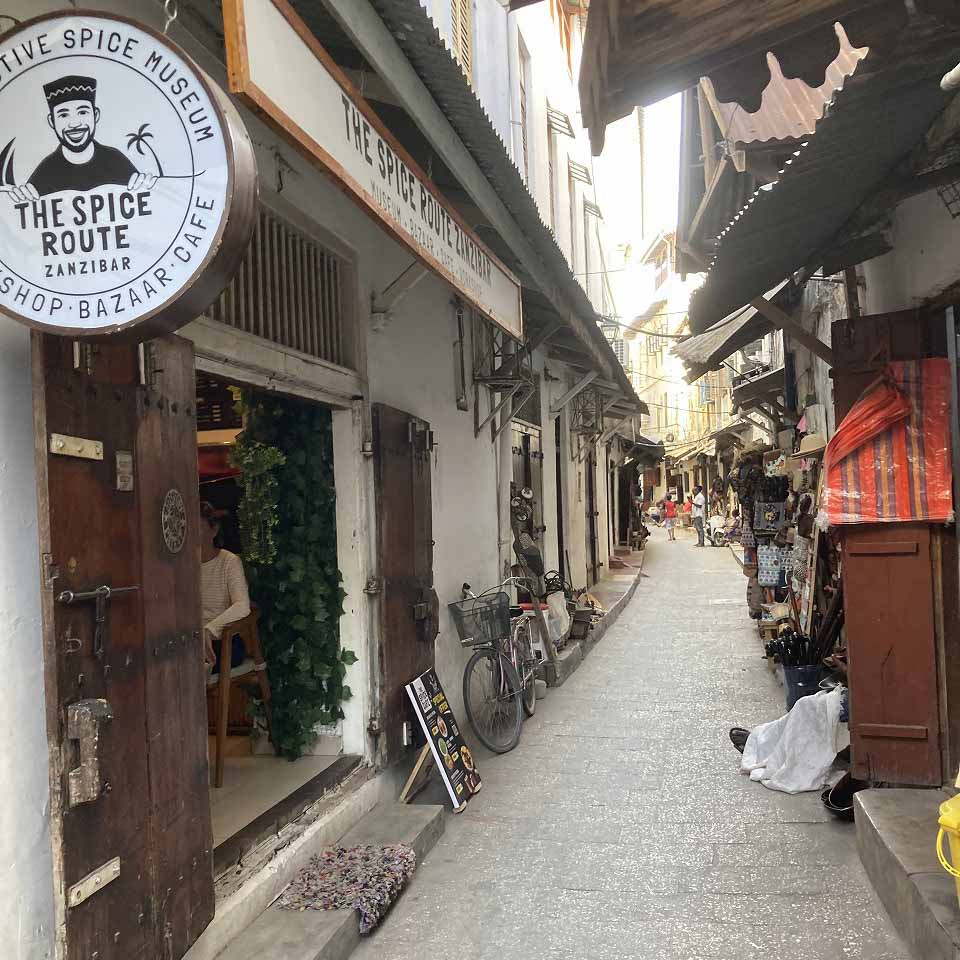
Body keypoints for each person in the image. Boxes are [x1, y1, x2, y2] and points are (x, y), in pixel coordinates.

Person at [2, 75, 157, 201]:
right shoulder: (46, 170)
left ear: (95, 115)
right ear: (52, 121)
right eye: (63, 115)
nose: (74, 123)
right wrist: (21, 199)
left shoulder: (115, 160)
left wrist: (147, 186)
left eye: (82, 112)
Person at [199, 501, 251, 675]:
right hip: (192, 641)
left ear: (213, 530)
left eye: (197, 529)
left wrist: (210, 630)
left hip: (224, 641)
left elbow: (242, 605)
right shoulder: (184, 567)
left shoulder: (229, 562)